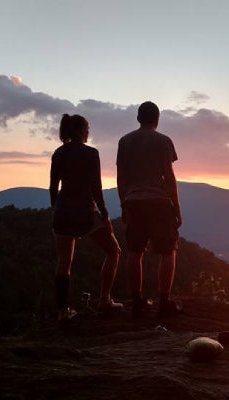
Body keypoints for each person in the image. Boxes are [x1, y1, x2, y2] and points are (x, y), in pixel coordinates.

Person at [50, 114, 122, 321]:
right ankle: (105, 300)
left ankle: (63, 311)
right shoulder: (91, 153)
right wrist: (105, 214)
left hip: (63, 212)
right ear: (83, 130)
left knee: (64, 262)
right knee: (114, 251)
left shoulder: (58, 153)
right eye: (88, 128)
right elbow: (96, 188)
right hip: (84, 212)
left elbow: (53, 187)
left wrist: (54, 209)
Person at [116, 101, 182, 318]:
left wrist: (124, 203)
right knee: (168, 250)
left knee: (135, 252)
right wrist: (176, 207)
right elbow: (169, 176)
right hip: (159, 202)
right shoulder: (163, 141)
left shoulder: (124, 141)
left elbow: (121, 177)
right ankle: (164, 301)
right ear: (157, 119)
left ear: (138, 118)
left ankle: (137, 301)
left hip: (134, 201)